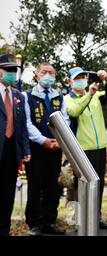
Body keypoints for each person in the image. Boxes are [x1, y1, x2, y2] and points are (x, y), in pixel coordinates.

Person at [65, 66, 107, 229]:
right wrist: (89, 94)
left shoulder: (96, 96)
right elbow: (74, 111)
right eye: (78, 78)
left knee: (98, 184)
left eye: (83, 77)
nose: (82, 80)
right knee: (80, 186)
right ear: (70, 81)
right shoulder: (68, 99)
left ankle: (96, 217)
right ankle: (79, 220)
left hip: (100, 147)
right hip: (82, 150)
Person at [23, 62, 70, 236]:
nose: (47, 75)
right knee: (36, 186)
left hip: (56, 148)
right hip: (36, 149)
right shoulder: (27, 96)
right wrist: (43, 140)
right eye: (44, 72)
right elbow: (27, 123)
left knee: (53, 186)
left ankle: (49, 221)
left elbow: (65, 120)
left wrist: (58, 140)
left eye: (51, 72)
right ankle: (34, 223)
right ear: (36, 75)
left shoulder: (59, 97)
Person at [0, 54, 30, 236]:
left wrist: (25, 149)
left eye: (14, 70)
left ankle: (4, 229)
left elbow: (23, 126)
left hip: (12, 152)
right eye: (8, 70)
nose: (12, 73)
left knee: (7, 195)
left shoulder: (19, 96)